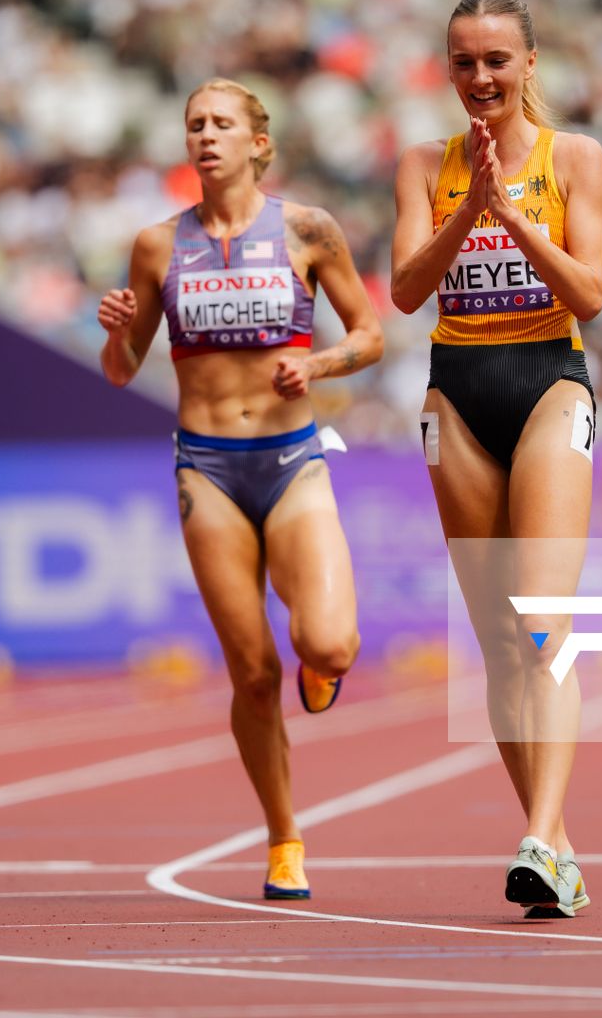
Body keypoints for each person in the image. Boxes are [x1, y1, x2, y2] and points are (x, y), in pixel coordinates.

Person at [98, 78, 383, 901]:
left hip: (291, 457)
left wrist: (318, 363)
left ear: (260, 143)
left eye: (223, 124)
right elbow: (121, 373)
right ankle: (284, 837)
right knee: (253, 674)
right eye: (194, 125)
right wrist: (118, 335)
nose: (206, 136)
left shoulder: (307, 229)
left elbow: (367, 335)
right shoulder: (158, 246)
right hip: (207, 470)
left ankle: (322, 669)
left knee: (328, 645)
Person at [391, 0, 602, 917]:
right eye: (464, 62)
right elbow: (405, 290)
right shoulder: (422, 164)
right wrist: (467, 206)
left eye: (496, 62)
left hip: (549, 382)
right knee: (500, 649)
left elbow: (591, 294)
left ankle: (537, 837)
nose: (479, 78)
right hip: (458, 391)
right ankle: (553, 845)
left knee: (543, 629)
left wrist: (513, 216)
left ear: (528, 65)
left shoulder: (577, 158)